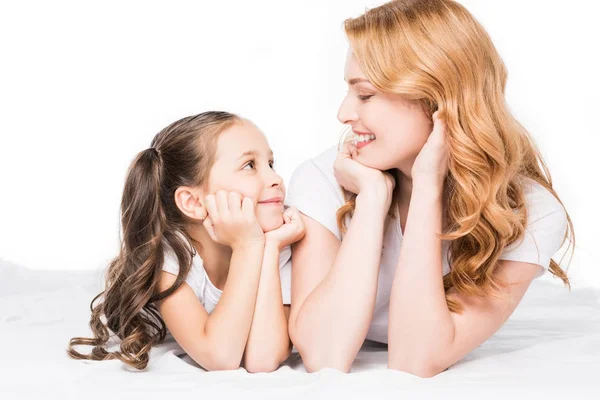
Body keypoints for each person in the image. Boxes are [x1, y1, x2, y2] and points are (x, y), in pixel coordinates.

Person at [285, 0, 574, 377]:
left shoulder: (530, 212)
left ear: (438, 100)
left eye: (366, 95)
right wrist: (372, 199)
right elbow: (323, 355)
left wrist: (426, 188)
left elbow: (414, 360)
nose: (343, 114)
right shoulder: (327, 177)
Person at [68, 111, 304, 372]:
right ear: (193, 202)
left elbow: (264, 359)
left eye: (271, 163)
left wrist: (269, 249)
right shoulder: (172, 259)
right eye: (249, 165)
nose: (276, 179)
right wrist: (247, 247)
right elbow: (219, 357)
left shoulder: (279, 238)